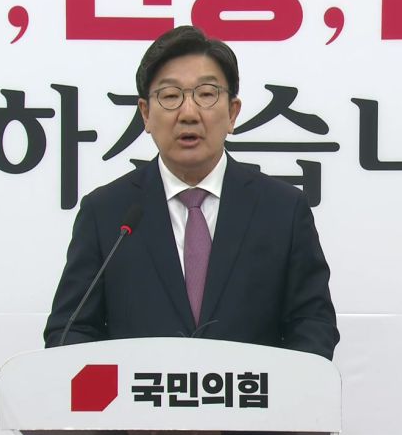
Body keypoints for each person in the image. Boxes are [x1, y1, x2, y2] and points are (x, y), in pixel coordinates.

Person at [43, 25, 339, 360]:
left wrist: (279, 386)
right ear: (145, 114)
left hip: (249, 393)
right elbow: (71, 331)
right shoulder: (107, 212)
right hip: (141, 394)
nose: (188, 113)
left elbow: (312, 324)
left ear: (232, 113)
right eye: (170, 96)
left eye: (206, 94)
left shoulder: (282, 209)